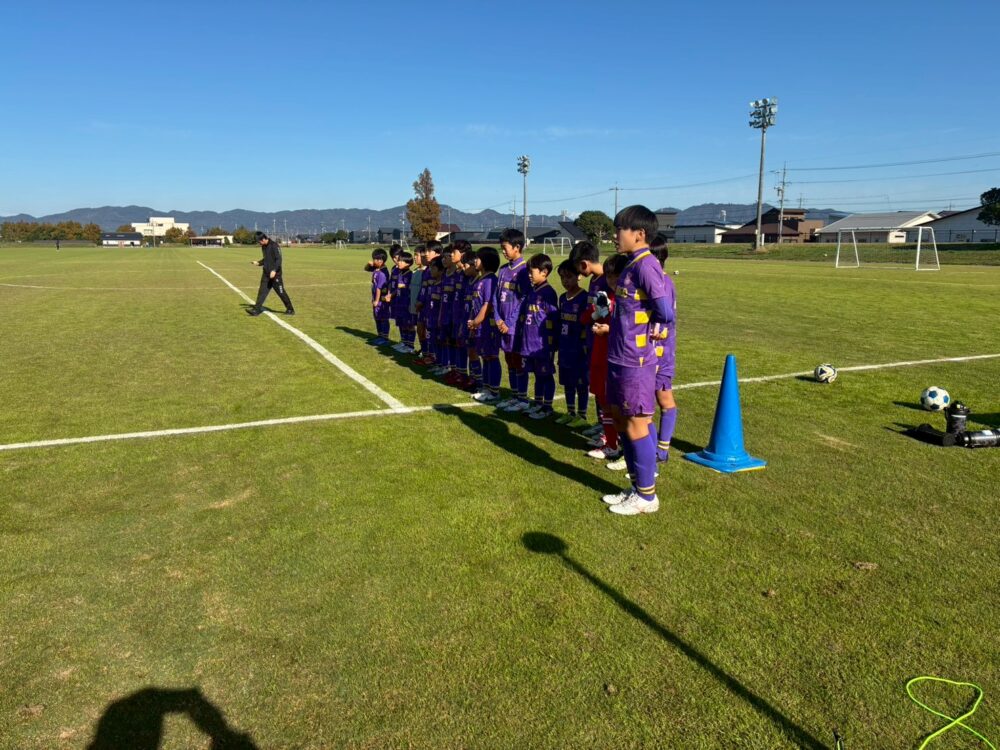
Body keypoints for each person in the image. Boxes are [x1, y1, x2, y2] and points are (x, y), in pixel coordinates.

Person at [601, 206, 673, 516]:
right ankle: (635, 487)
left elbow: (665, 311)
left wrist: (651, 331)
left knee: (636, 423)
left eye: (619, 229)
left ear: (639, 234)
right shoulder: (631, 264)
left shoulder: (647, 265)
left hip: (635, 360)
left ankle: (647, 496)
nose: (615, 235)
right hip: (619, 356)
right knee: (621, 420)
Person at [493, 229, 532, 411]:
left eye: (505, 247)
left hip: (515, 327)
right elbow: (495, 297)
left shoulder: (524, 271)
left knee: (518, 361)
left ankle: (522, 399)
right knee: (509, 360)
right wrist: (498, 318)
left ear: (517, 247)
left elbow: (524, 299)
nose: (503, 251)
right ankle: (514, 395)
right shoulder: (502, 270)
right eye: (501, 248)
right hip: (502, 325)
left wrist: (509, 323)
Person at [517, 253, 559, 419]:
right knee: (537, 375)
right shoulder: (532, 291)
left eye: (532, 271)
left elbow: (553, 319)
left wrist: (552, 343)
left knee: (545, 374)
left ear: (544, 272)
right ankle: (538, 404)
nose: (529, 275)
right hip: (529, 343)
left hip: (543, 344)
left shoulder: (548, 293)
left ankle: (547, 407)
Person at [650, 238, 678, 465]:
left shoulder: (663, 283)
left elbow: (663, 318)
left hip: (660, 351)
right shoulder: (654, 281)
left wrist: (656, 332)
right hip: (649, 349)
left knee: (663, 397)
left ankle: (662, 448)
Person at [555, 259, 590, 428]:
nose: (565, 281)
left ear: (579, 277)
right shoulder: (562, 298)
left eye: (568, 277)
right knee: (567, 382)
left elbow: (587, 323)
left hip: (579, 349)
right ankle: (570, 412)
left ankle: (582, 415)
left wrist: (583, 345)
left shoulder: (585, 298)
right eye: (562, 277)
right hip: (565, 348)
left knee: (581, 383)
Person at [468, 247, 502, 403]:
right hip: (480, 326)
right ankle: (486, 388)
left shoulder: (490, 280)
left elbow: (487, 305)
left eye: (478, 258)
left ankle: (494, 391)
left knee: (491, 356)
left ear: (486, 261)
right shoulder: (481, 279)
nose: (475, 261)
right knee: (485, 356)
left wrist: (476, 321)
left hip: (489, 326)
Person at [247, 231, 294, 316]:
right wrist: (259, 263)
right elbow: (266, 259)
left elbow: (278, 259)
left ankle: (290, 309)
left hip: (275, 275)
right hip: (266, 274)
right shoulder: (263, 247)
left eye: (259, 241)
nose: (259, 243)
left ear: (263, 239)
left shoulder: (274, 245)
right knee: (262, 292)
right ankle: (256, 310)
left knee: (281, 293)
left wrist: (274, 270)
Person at [391, 251, 417, 353]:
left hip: (407, 304)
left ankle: (410, 346)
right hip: (399, 302)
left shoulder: (410, 274)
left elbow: (412, 289)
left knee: (409, 324)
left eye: (401, 261)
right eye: (399, 260)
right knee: (401, 323)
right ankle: (404, 342)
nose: (399, 262)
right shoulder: (400, 273)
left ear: (408, 263)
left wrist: (405, 286)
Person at [369, 248, 391, 344]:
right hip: (376, 298)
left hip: (381, 300)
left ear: (381, 261)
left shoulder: (382, 273)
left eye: (375, 259)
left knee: (383, 318)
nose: (373, 261)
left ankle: (385, 338)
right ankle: (380, 335)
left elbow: (379, 288)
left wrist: (376, 300)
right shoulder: (376, 270)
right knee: (377, 317)